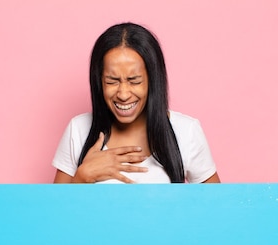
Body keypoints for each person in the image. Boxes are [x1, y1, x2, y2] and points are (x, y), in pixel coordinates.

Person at [52, 22, 220, 184]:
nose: (123, 94)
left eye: (134, 81)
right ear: (99, 81)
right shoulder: (78, 129)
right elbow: (54, 211)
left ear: (153, 80)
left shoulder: (186, 131)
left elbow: (216, 206)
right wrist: (82, 176)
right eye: (112, 81)